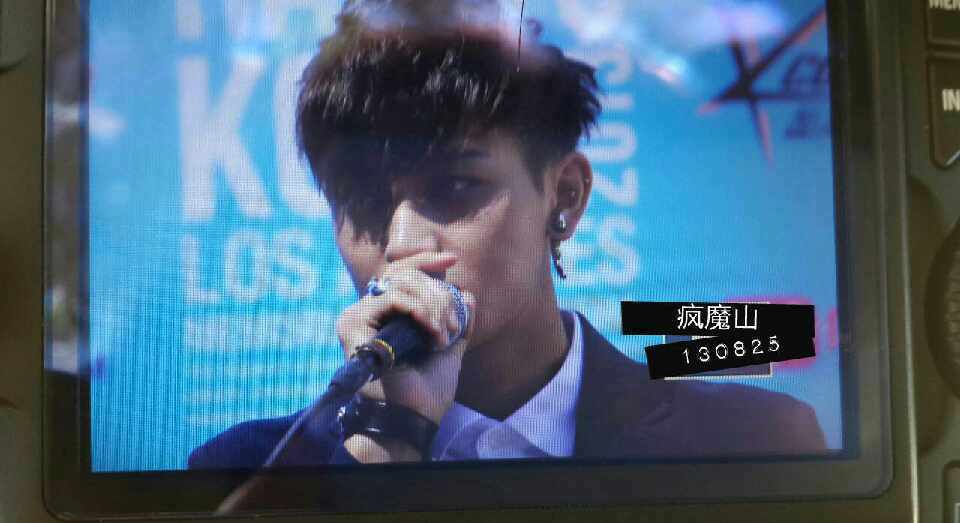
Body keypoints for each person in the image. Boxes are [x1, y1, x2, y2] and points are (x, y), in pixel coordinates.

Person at [189, 0, 825, 469]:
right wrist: (385, 442)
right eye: (364, 202)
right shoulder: (248, 472)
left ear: (565, 197)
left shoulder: (757, 441)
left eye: (454, 188)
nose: (404, 243)